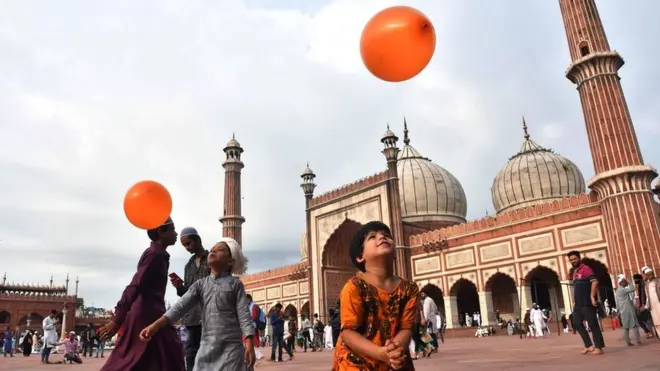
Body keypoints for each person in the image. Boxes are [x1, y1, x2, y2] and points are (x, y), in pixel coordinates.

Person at [140, 238, 256, 371]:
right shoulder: (200, 285)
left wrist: (249, 343)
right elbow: (180, 307)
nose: (213, 251)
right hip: (207, 347)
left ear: (230, 261)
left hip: (231, 349)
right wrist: (155, 326)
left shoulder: (235, 285)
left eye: (220, 250)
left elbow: (243, 314)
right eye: (213, 249)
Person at [98, 217, 185, 371]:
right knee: (139, 358)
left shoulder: (158, 254)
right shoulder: (154, 254)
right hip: (146, 314)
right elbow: (135, 285)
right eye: (172, 229)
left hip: (152, 312)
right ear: (161, 232)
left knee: (150, 359)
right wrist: (117, 319)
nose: (176, 233)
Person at [332, 221, 419, 371]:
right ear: (360, 256)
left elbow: (407, 328)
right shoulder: (354, 287)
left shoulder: (409, 289)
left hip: (392, 360)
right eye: (372, 237)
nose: (381, 237)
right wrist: (380, 353)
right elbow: (348, 332)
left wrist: (393, 352)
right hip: (355, 361)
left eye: (386, 235)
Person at [169, 227, 211, 371]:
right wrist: (179, 287)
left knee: (208, 356)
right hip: (191, 319)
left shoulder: (212, 259)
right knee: (191, 356)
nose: (187, 248)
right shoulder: (188, 265)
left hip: (209, 317)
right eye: (184, 245)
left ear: (198, 240)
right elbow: (188, 294)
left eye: (189, 244)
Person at [567, 250, 604, 355]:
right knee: (576, 323)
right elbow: (577, 288)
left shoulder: (585, 269)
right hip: (578, 304)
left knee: (593, 324)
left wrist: (592, 296)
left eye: (575, 259)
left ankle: (599, 347)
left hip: (587, 302)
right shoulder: (575, 272)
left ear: (579, 258)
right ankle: (588, 345)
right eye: (571, 260)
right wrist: (574, 301)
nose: (573, 261)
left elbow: (594, 281)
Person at [615, 274, 641, 346]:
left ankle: (628, 342)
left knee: (626, 327)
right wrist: (629, 282)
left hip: (623, 311)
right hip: (629, 309)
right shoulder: (623, 290)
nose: (626, 283)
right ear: (621, 283)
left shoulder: (617, 291)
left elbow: (617, 302)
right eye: (624, 282)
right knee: (634, 325)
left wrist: (618, 312)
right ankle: (638, 341)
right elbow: (632, 288)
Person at [641, 266, 660, 336]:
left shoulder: (658, 281)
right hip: (653, 305)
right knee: (656, 323)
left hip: (659, 303)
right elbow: (647, 296)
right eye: (648, 275)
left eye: (651, 274)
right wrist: (646, 306)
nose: (650, 276)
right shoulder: (646, 284)